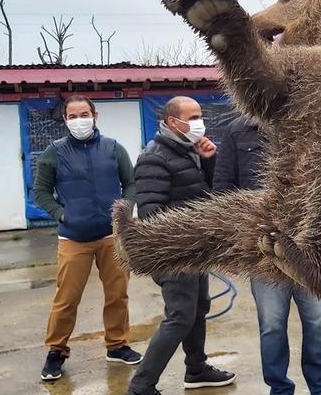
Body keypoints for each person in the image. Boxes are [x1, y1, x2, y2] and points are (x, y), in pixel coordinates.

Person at [212, 116, 321, 395]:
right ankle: (279, 388)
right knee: (271, 325)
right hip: (263, 250)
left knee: (319, 322)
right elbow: (222, 188)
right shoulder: (238, 131)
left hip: (311, 248)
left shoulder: (314, 121)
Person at [126, 96, 236, 395]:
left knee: (199, 307)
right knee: (179, 317)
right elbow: (151, 213)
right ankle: (141, 385)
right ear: (173, 122)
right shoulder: (155, 157)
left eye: (201, 115)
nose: (200, 122)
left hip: (194, 248)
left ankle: (196, 368)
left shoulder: (191, 151)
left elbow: (212, 194)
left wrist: (211, 160)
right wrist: (176, 255)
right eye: (194, 116)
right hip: (175, 253)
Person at [33, 95, 142, 381]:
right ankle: (56, 351)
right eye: (72, 116)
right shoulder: (53, 152)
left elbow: (130, 184)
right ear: (65, 120)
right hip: (74, 240)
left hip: (111, 236)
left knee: (117, 294)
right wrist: (61, 215)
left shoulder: (113, 148)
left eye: (84, 113)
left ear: (95, 115)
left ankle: (117, 345)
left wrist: (125, 210)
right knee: (67, 298)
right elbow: (41, 192)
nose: (79, 120)